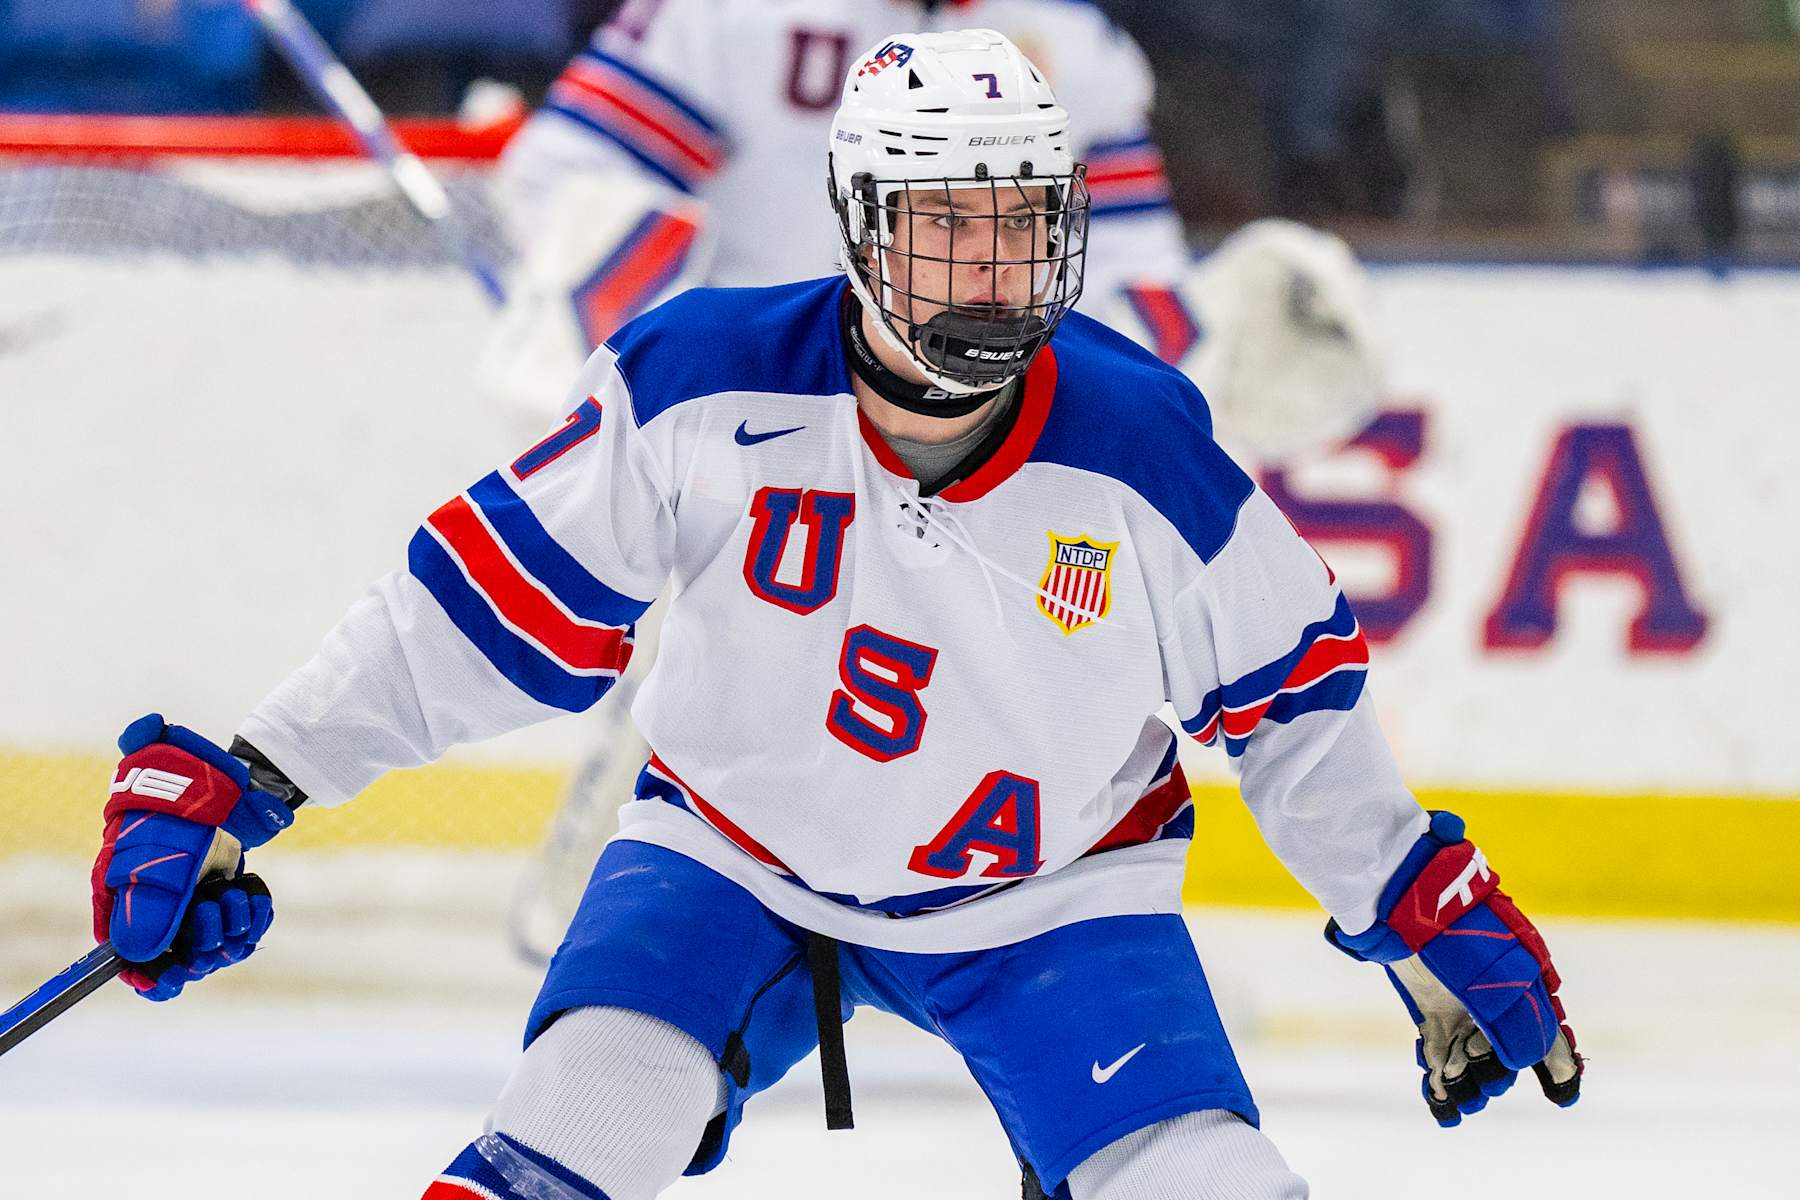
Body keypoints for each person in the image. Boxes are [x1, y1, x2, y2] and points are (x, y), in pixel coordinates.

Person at [89, 31, 1578, 1200]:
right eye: (948, 226)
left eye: (1022, 223)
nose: (994, 268)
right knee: (577, 1123)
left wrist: (1416, 911)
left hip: (1051, 895)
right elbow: (468, 615)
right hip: (730, 854)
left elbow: (1294, 713)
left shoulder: (1143, 449)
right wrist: (252, 773)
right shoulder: (699, 383)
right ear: (861, 224)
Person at [484, 0, 1386, 961]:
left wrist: (1167, 389)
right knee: (717, 685)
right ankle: (647, 934)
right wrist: (637, 324)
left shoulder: (1070, 47)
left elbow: (1127, 265)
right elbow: (568, 170)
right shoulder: (729, 10)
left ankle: (964, 938)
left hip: (972, 434)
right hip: (758, 435)